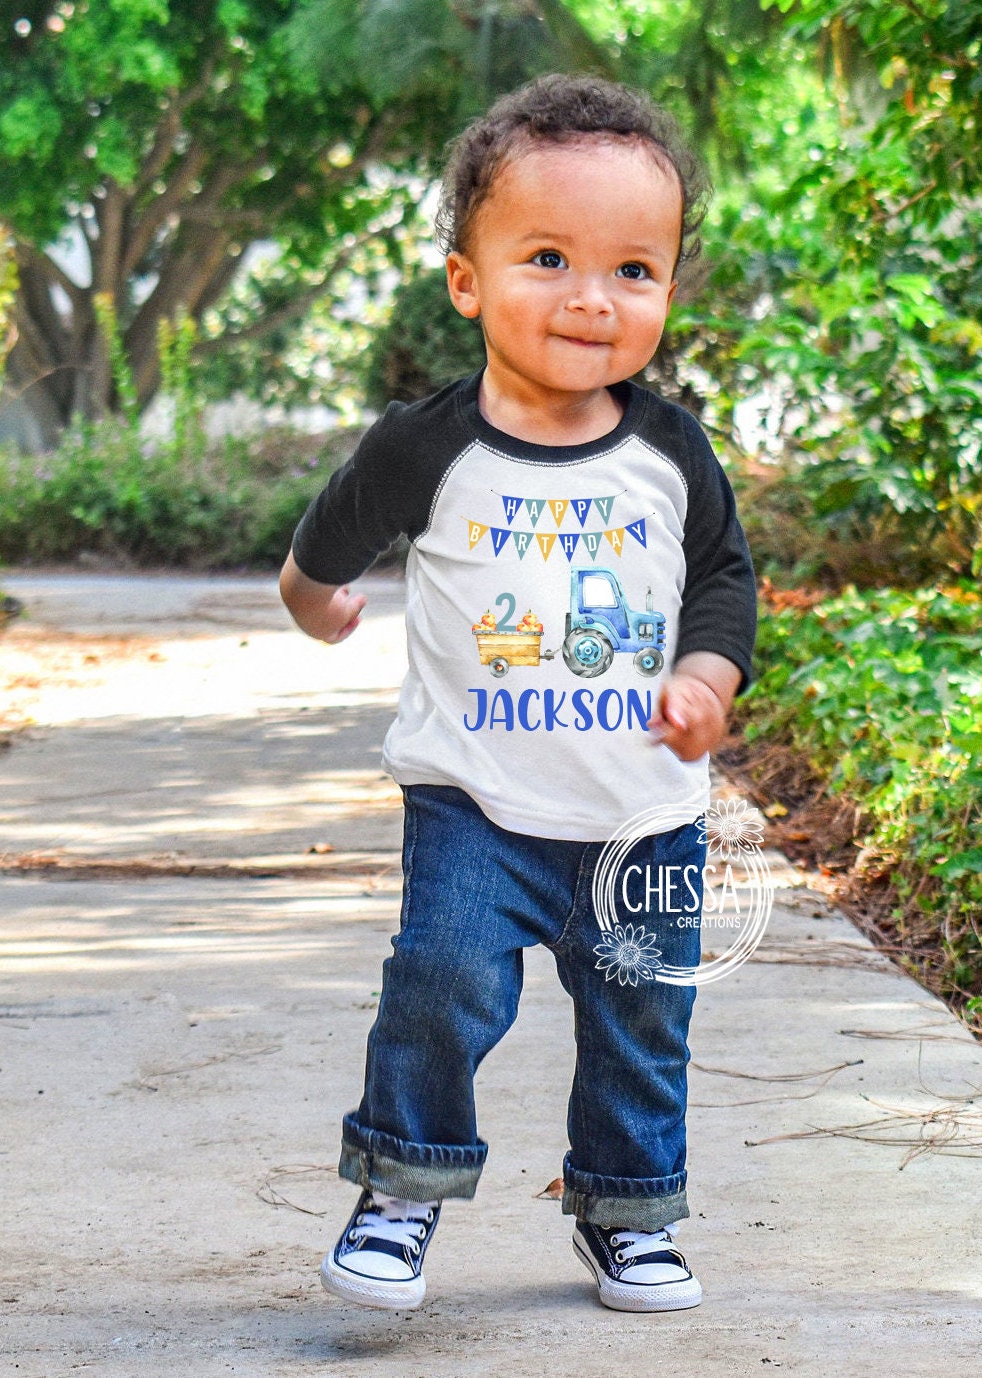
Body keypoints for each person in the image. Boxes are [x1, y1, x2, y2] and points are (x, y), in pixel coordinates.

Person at [280, 73, 757, 1314]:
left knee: (642, 1024)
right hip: (474, 808)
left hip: (643, 816)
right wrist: (315, 603)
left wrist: (706, 674)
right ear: (466, 280)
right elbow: (323, 545)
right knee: (437, 989)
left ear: (666, 288)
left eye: (632, 270)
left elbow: (721, 578)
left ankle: (629, 1212)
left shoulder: (670, 452)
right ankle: (401, 1191)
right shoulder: (426, 446)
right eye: (548, 258)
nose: (591, 297)